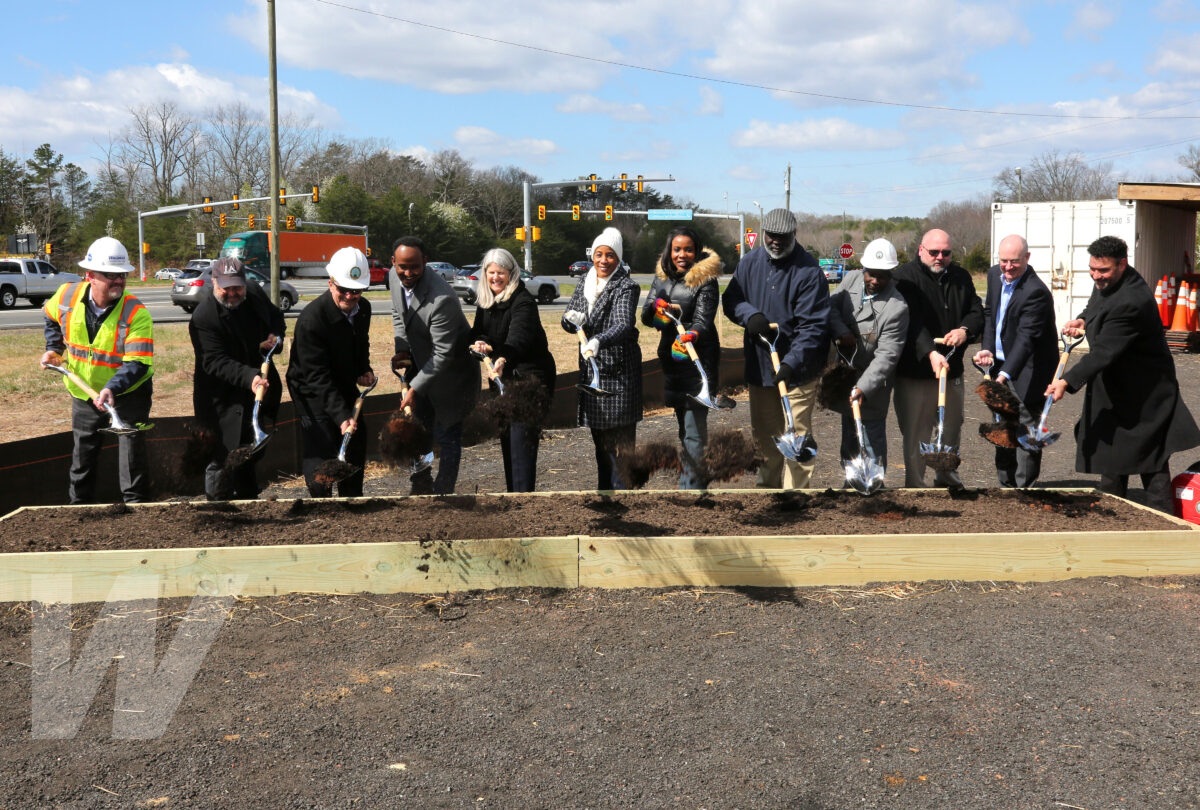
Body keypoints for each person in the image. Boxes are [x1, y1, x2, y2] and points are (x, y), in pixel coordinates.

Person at [1047, 235, 1200, 513]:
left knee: (1152, 465)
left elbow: (1103, 352)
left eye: (1103, 270)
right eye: (1092, 269)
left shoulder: (1132, 300)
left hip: (1146, 395)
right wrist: (1083, 318)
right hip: (1117, 389)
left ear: (1122, 264)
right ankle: (1113, 519)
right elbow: (1097, 304)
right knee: (1111, 459)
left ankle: (1164, 527)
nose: (1096, 276)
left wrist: (1066, 381)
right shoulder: (1111, 282)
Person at [39, 236, 154, 504]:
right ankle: (79, 510)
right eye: (111, 275)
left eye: (122, 275)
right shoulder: (67, 295)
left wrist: (111, 388)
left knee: (131, 458)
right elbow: (50, 315)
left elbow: (136, 363)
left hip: (129, 395)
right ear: (89, 275)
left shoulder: (136, 313)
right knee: (83, 457)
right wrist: (54, 348)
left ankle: (137, 511)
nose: (119, 281)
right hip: (83, 392)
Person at [722, 208, 830, 489]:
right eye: (771, 236)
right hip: (761, 368)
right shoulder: (749, 263)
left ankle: (794, 496)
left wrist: (791, 363)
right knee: (766, 436)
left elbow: (813, 327)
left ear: (794, 234)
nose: (776, 242)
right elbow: (731, 299)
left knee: (796, 435)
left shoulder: (809, 271)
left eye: (783, 237)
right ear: (764, 234)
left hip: (798, 371)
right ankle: (768, 492)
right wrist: (750, 315)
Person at [892, 228, 984, 487]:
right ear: (921, 250)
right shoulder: (904, 279)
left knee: (951, 425)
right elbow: (908, 322)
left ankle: (946, 474)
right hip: (916, 371)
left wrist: (965, 330)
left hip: (951, 369)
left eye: (946, 252)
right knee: (917, 430)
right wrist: (930, 352)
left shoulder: (961, 277)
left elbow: (977, 310)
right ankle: (915, 483)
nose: (940, 257)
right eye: (934, 252)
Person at [188, 257, 285, 500]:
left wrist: (274, 336)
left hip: (254, 393)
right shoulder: (204, 317)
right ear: (213, 283)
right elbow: (214, 361)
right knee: (220, 457)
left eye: (237, 287)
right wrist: (250, 376)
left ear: (245, 283)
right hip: (219, 398)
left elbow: (276, 317)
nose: (232, 293)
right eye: (225, 288)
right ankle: (218, 508)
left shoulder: (253, 293)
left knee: (249, 453)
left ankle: (248, 501)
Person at [391, 235, 479, 495]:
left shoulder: (442, 299)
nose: (408, 272)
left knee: (447, 435)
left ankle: (444, 494)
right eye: (402, 266)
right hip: (423, 365)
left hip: (453, 375)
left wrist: (414, 388)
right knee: (419, 429)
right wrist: (403, 348)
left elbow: (442, 354)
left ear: (425, 262)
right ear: (393, 262)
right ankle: (421, 486)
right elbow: (398, 313)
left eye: (414, 266)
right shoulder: (392, 279)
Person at [286, 246, 375, 498]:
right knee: (322, 444)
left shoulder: (363, 309)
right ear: (331, 283)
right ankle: (321, 504)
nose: (349, 296)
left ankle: (351, 499)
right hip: (311, 390)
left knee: (355, 441)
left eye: (356, 291)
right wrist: (340, 416)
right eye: (343, 289)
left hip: (343, 382)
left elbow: (361, 342)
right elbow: (316, 376)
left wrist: (363, 368)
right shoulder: (312, 320)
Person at [971, 234, 1058, 487]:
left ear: (1027, 258)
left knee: (1026, 429)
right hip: (998, 365)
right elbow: (990, 314)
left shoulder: (1036, 292)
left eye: (1014, 262)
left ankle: (1024, 489)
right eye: (1004, 261)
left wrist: (1004, 375)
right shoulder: (994, 276)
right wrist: (987, 349)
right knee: (1003, 425)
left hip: (1028, 371)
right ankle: (1005, 485)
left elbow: (1026, 339)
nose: (1008, 267)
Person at [640, 226, 722, 489]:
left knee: (694, 428)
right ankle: (692, 481)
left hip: (698, 361)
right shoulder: (661, 279)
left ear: (696, 252)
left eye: (688, 249)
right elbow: (645, 316)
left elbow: (703, 320)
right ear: (670, 251)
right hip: (673, 361)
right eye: (677, 249)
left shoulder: (705, 281)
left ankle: (692, 488)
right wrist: (657, 309)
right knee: (684, 428)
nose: (682, 254)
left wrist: (692, 335)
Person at [468, 247, 556, 492]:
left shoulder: (523, 301)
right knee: (507, 437)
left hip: (530, 380)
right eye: (491, 272)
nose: (495, 278)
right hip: (502, 378)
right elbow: (479, 332)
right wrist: (480, 343)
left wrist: (503, 356)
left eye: (501, 273)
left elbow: (519, 338)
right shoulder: (486, 301)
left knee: (522, 440)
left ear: (512, 273)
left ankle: (524, 498)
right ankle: (513, 495)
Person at [562, 227, 642, 490]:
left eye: (610, 255)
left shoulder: (627, 286)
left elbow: (623, 324)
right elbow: (570, 315)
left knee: (620, 445)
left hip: (619, 373)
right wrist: (569, 321)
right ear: (592, 256)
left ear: (618, 259)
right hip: (591, 371)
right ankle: (605, 496)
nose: (603, 260)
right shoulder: (584, 281)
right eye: (599, 254)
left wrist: (598, 340)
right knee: (600, 445)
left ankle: (624, 496)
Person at [827, 237, 908, 479]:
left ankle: (874, 485)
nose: (875, 281)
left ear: (891, 274)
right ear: (863, 269)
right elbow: (829, 308)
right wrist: (841, 330)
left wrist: (862, 388)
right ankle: (851, 480)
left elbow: (887, 356)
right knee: (849, 431)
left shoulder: (897, 307)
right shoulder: (851, 279)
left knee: (870, 436)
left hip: (872, 384)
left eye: (882, 276)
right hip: (845, 373)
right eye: (871, 274)